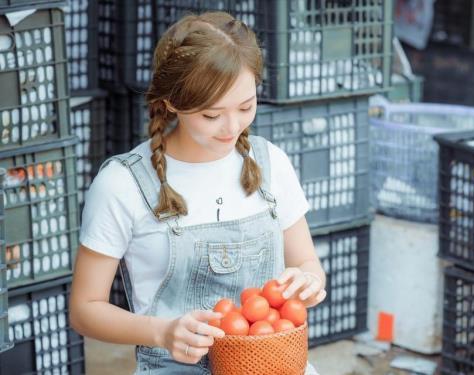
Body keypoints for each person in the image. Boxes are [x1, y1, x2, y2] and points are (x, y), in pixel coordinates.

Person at [69, 11, 326, 374]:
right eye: (211, 115)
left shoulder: (272, 164)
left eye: (246, 106)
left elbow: (307, 263)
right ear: (171, 101)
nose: (232, 127)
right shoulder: (122, 184)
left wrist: (309, 282)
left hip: (275, 365)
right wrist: (162, 332)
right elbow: (85, 309)